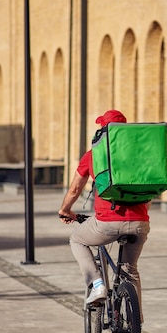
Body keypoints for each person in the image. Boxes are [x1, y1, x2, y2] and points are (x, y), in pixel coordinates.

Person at [58, 109, 150, 312]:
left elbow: (74, 190)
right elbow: (148, 193)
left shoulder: (94, 155)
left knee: (77, 239)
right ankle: (136, 325)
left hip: (107, 222)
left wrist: (65, 210)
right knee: (130, 270)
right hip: (140, 223)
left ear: (103, 130)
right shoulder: (139, 156)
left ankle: (97, 285)